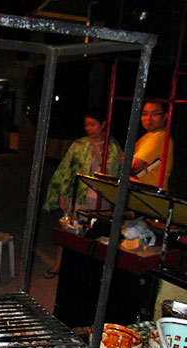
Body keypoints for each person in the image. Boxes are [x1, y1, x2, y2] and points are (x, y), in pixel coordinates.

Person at [42, 108, 123, 279]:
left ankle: (85, 270)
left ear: (103, 125)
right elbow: (66, 170)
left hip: (103, 200)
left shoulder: (113, 146)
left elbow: (118, 174)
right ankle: (59, 264)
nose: (89, 128)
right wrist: (63, 194)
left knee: (95, 235)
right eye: (86, 124)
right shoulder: (79, 145)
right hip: (80, 197)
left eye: (92, 124)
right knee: (70, 231)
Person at [131, 101, 174, 189]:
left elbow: (133, 166)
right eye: (144, 114)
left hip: (147, 194)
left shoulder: (159, 137)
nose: (148, 118)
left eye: (154, 114)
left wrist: (126, 160)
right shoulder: (150, 136)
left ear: (165, 116)